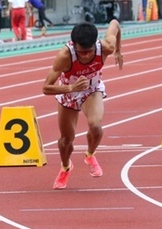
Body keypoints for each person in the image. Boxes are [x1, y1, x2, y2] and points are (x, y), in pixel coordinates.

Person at [42, 20, 123, 190]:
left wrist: (118, 52)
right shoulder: (65, 55)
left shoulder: (106, 47)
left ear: (95, 44)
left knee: (96, 126)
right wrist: (72, 87)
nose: (85, 55)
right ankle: (65, 167)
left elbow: (115, 24)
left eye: (89, 51)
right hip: (68, 92)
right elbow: (46, 88)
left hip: (92, 90)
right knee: (66, 141)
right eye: (81, 52)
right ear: (73, 45)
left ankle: (90, 154)